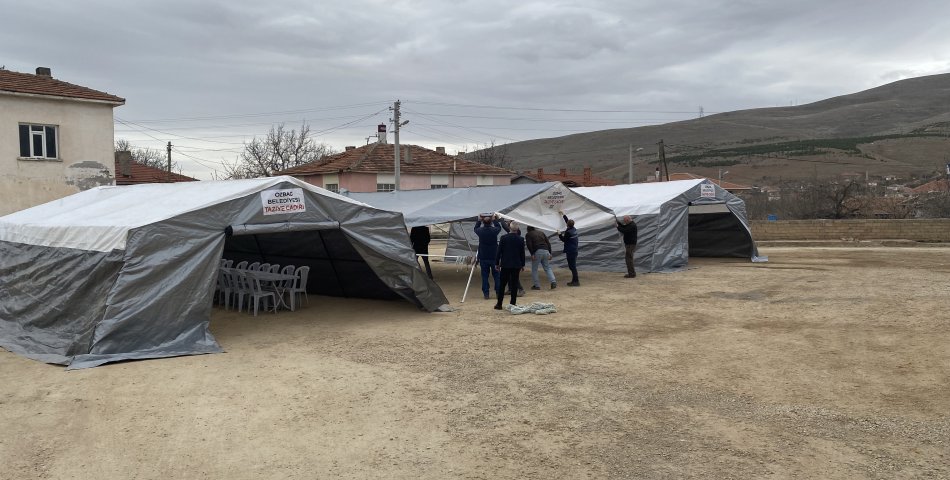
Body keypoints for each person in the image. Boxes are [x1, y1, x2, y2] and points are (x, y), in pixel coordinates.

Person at [474, 213, 507, 299]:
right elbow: (499, 227)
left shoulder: (480, 231)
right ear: (491, 222)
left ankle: (486, 293)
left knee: (484, 276)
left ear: (483, 222)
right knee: (497, 276)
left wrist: (479, 220)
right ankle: (498, 292)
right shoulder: (494, 230)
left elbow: (475, 228)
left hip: (483, 256)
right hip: (494, 256)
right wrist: (494, 219)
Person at [494, 222, 526, 310]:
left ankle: (499, 304)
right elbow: (522, 253)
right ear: (518, 229)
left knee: (502, 284)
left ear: (509, 228)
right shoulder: (521, 239)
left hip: (505, 264)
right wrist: (523, 264)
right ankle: (512, 303)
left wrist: (497, 263)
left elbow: (499, 252)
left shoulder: (503, 238)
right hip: (516, 264)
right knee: (514, 284)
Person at [525, 225, 557, 290]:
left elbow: (529, 244)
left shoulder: (528, 234)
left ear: (528, 229)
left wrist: (532, 254)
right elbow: (548, 243)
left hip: (537, 251)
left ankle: (537, 285)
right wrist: (550, 253)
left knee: (534, 269)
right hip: (546, 250)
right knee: (547, 268)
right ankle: (553, 281)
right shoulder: (541, 232)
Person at [558, 210, 580, 286]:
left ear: (567, 225)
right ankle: (574, 281)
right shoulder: (574, 229)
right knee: (573, 266)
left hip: (570, 251)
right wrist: (563, 214)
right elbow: (567, 222)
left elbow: (563, 239)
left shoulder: (568, 232)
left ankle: (576, 281)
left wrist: (559, 234)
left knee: (572, 266)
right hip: (575, 250)